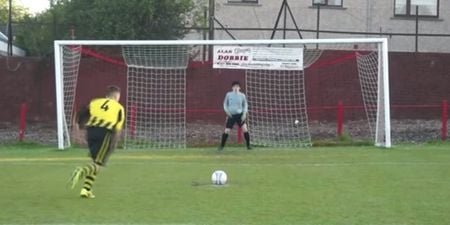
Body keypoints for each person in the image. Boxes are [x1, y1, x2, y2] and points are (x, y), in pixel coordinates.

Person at [68, 85, 125, 198]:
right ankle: (81, 171)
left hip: (91, 132)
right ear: (116, 96)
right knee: (99, 164)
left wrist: (76, 127)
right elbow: (117, 129)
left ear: (106, 95)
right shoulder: (119, 108)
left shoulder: (95, 102)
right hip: (105, 133)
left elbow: (81, 113)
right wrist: (114, 143)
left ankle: (86, 190)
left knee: (96, 162)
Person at [219, 81, 251, 150]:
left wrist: (244, 114)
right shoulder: (228, 94)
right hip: (231, 116)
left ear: (239, 88)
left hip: (240, 115)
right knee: (227, 131)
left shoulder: (242, 95)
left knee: (245, 129)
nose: (236, 88)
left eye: (237, 86)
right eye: (234, 87)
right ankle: (221, 146)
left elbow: (245, 105)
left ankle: (248, 146)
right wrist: (227, 112)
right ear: (232, 88)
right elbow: (225, 104)